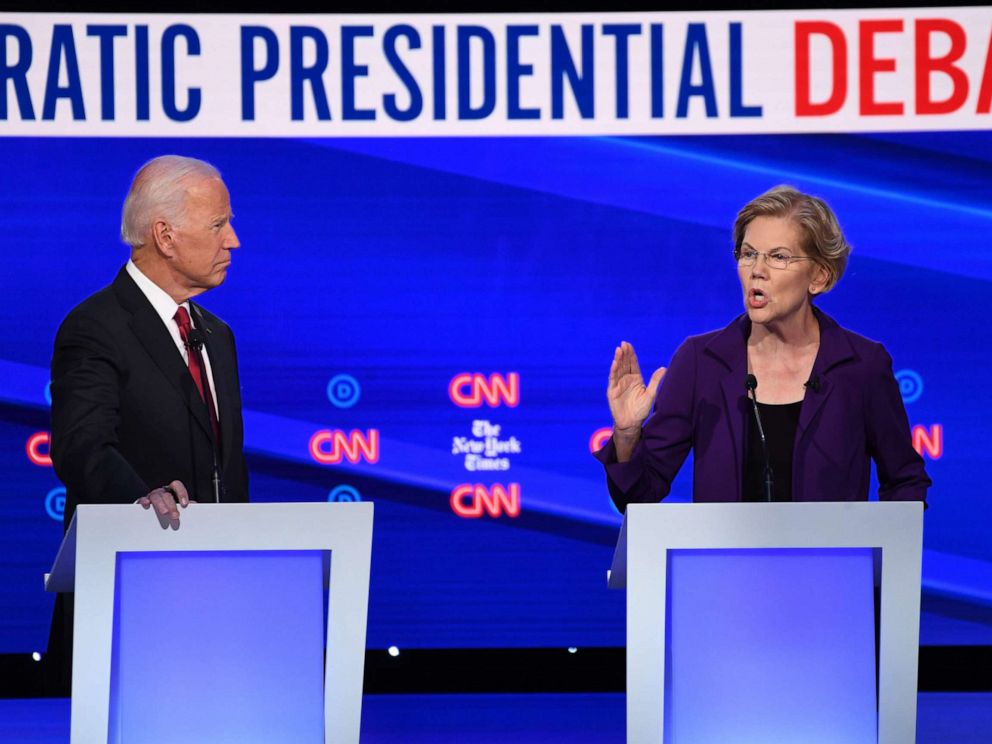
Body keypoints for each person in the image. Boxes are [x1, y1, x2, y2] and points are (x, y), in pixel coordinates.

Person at [596, 185, 930, 510]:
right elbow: (637, 497)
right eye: (748, 254)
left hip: (829, 566)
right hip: (722, 566)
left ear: (819, 277)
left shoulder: (862, 366)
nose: (757, 270)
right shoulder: (701, 362)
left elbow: (904, 480)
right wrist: (627, 434)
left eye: (778, 257)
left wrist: (880, 556)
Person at [45, 155, 248, 690]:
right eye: (218, 225)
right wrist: (144, 499)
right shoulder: (96, 327)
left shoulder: (217, 336)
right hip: (129, 602)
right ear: (165, 235)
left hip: (223, 611)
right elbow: (81, 447)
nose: (234, 241)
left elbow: (227, 470)